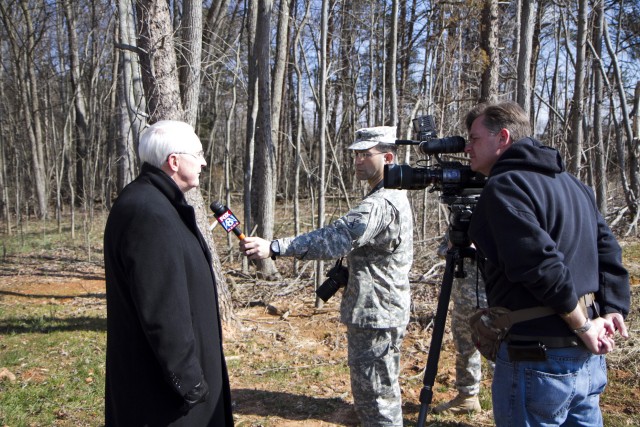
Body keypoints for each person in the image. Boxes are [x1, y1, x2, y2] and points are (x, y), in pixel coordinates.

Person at [464, 101, 630, 426]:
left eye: (474, 138)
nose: (467, 147)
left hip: (539, 358)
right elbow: (608, 248)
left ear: (503, 138)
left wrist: (583, 326)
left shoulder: (505, 187)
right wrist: (613, 308)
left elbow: (541, 265)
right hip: (586, 356)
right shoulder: (573, 184)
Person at [240, 126, 413, 427]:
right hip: (378, 310)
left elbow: (335, 238)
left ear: (387, 157)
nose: (358, 161)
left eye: (365, 154)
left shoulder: (381, 203)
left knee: (377, 399)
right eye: (355, 155)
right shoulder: (386, 195)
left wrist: (275, 247)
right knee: (376, 393)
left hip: (377, 315)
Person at [103, 120, 234, 426]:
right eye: (198, 153)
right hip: (164, 398)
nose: (204, 162)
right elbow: (162, 309)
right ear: (174, 161)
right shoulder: (148, 213)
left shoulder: (158, 203)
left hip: (170, 387)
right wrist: (188, 382)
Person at [431, 236, 487, 414]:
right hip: (462, 299)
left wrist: (478, 249)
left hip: (490, 300)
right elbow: (442, 250)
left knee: (499, 354)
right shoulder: (463, 216)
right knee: (464, 349)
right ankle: (467, 397)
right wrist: (453, 248)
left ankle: (508, 401)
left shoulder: (498, 218)